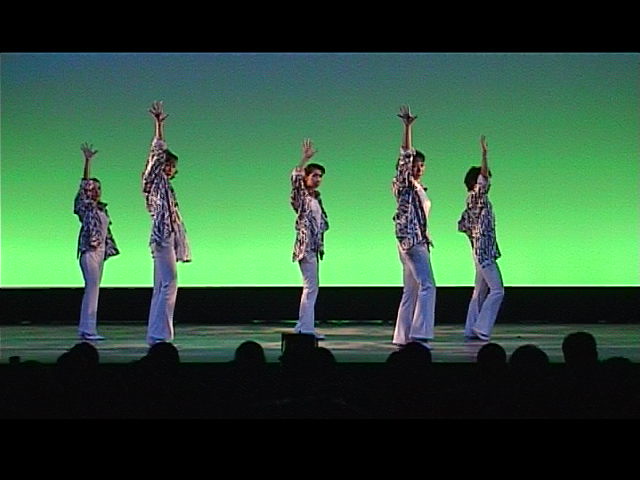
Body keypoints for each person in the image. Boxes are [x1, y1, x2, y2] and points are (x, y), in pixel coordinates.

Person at [142, 101, 191, 346]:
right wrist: (159, 127)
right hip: (162, 237)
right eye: (168, 164)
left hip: (167, 236)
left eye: (173, 166)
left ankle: (155, 334)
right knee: (170, 284)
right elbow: (157, 152)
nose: (170, 169)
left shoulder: (168, 188)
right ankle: (161, 335)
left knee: (161, 285)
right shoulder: (154, 180)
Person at [391, 105, 436, 349]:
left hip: (417, 239)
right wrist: (408, 128)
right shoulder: (404, 184)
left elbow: (421, 217)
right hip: (410, 241)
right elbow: (405, 155)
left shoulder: (419, 188)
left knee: (411, 290)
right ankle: (420, 335)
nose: (418, 168)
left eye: (421, 165)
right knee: (428, 285)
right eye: (414, 165)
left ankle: (402, 335)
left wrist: (426, 235)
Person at [458, 135, 504, 342]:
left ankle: (471, 328)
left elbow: (464, 226)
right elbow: (484, 178)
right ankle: (481, 328)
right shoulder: (477, 197)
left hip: (479, 251)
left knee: (479, 291)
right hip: (484, 252)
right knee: (497, 290)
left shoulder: (471, 202)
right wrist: (484, 154)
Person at [74, 143, 120, 341]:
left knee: (94, 289)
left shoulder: (101, 209)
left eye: (98, 188)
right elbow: (83, 184)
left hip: (100, 252)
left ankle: (87, 328)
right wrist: (87, 162)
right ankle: (88, 330)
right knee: (92, 288)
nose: (96, 191)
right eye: (93, 188)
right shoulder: (85, 206)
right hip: (89, 251)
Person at [290, 138, 329, 340]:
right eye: (314, 175)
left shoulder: (316, 198)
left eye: (320, 176)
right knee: (310, 287)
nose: (318, 179)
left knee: (312, 287)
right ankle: (305, 329)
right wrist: (304, 159)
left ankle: (303, 326)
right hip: (305, 248)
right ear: (306, 177)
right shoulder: (301, 197)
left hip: (314, 248)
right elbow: (295, 178)